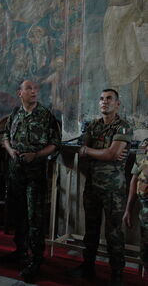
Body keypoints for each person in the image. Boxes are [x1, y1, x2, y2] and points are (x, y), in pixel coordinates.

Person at [67, 89, 133, 285]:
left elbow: (112, 155)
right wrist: (97, 152)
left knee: (113, 233)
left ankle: (117, 275)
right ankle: (88, 268)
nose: (105, 102)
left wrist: (91, 151)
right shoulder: (93, 125)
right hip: (92, 186)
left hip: (113, 189)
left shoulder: (123, 127)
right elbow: (82, 150)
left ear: (118, 104)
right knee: (91, 230)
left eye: (109, 99)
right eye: (102, 99)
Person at [2, 80, 61, 283]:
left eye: (36, 89)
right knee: (18, 213)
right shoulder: (16, 113)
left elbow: (55, 143)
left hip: (34, 174)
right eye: (29, 88)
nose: (34, 91)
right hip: (15, 172)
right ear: (20, 92)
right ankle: (19, 250)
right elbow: (4, 136)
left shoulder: (45, 115)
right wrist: (10, 151)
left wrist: (36, 155)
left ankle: (35, 259)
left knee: (34, 217)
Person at [123, 138, 148, 280]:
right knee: (145, 253)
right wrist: (128, 209)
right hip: (144, 211)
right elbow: (135, 178)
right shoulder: (144, 144)